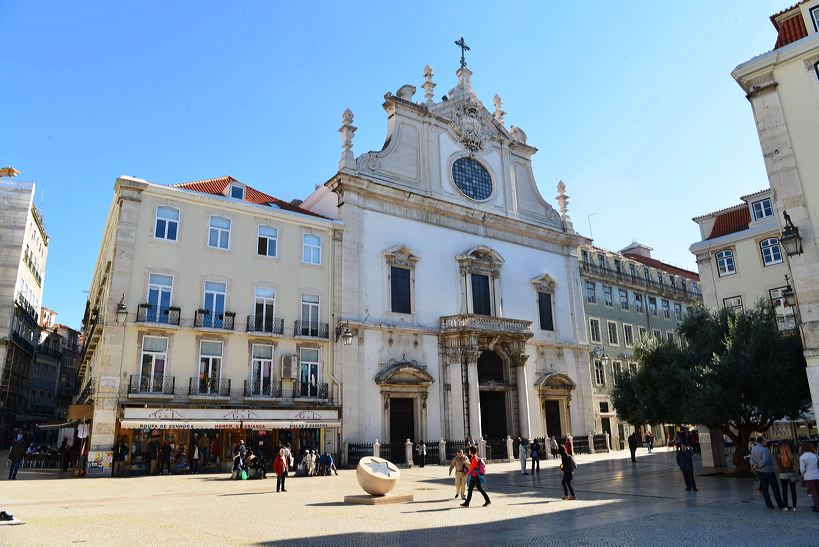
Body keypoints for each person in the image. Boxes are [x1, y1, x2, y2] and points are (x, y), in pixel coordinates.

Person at [749, 438, 785, 509]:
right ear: (762, 442)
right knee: (775, 488)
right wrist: (759, 465)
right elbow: (765, 460)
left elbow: (751, 459)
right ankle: (780, 504)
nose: (767, 443)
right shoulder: (764, 449)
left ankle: (769, 504)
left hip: (760, 472)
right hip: (768, 471)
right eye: (766, 441)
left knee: (765, 489)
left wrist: (754, 465)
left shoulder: (753, 449)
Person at [776, 441, 798, 511]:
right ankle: (794, 506)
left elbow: (779, 466)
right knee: (793, 490)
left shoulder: (778, 457)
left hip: (782, 474)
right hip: (791, 474)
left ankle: (785, 506)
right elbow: (793, 465)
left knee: (784, 491)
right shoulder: (791, 456)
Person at [799, 441, 819, 512]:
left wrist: (803, 475)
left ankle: (817, 506)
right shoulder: (816, 455)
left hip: (808, 477)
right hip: (817, 475)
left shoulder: (802, 457)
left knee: (813, 492)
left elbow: (802, 469)